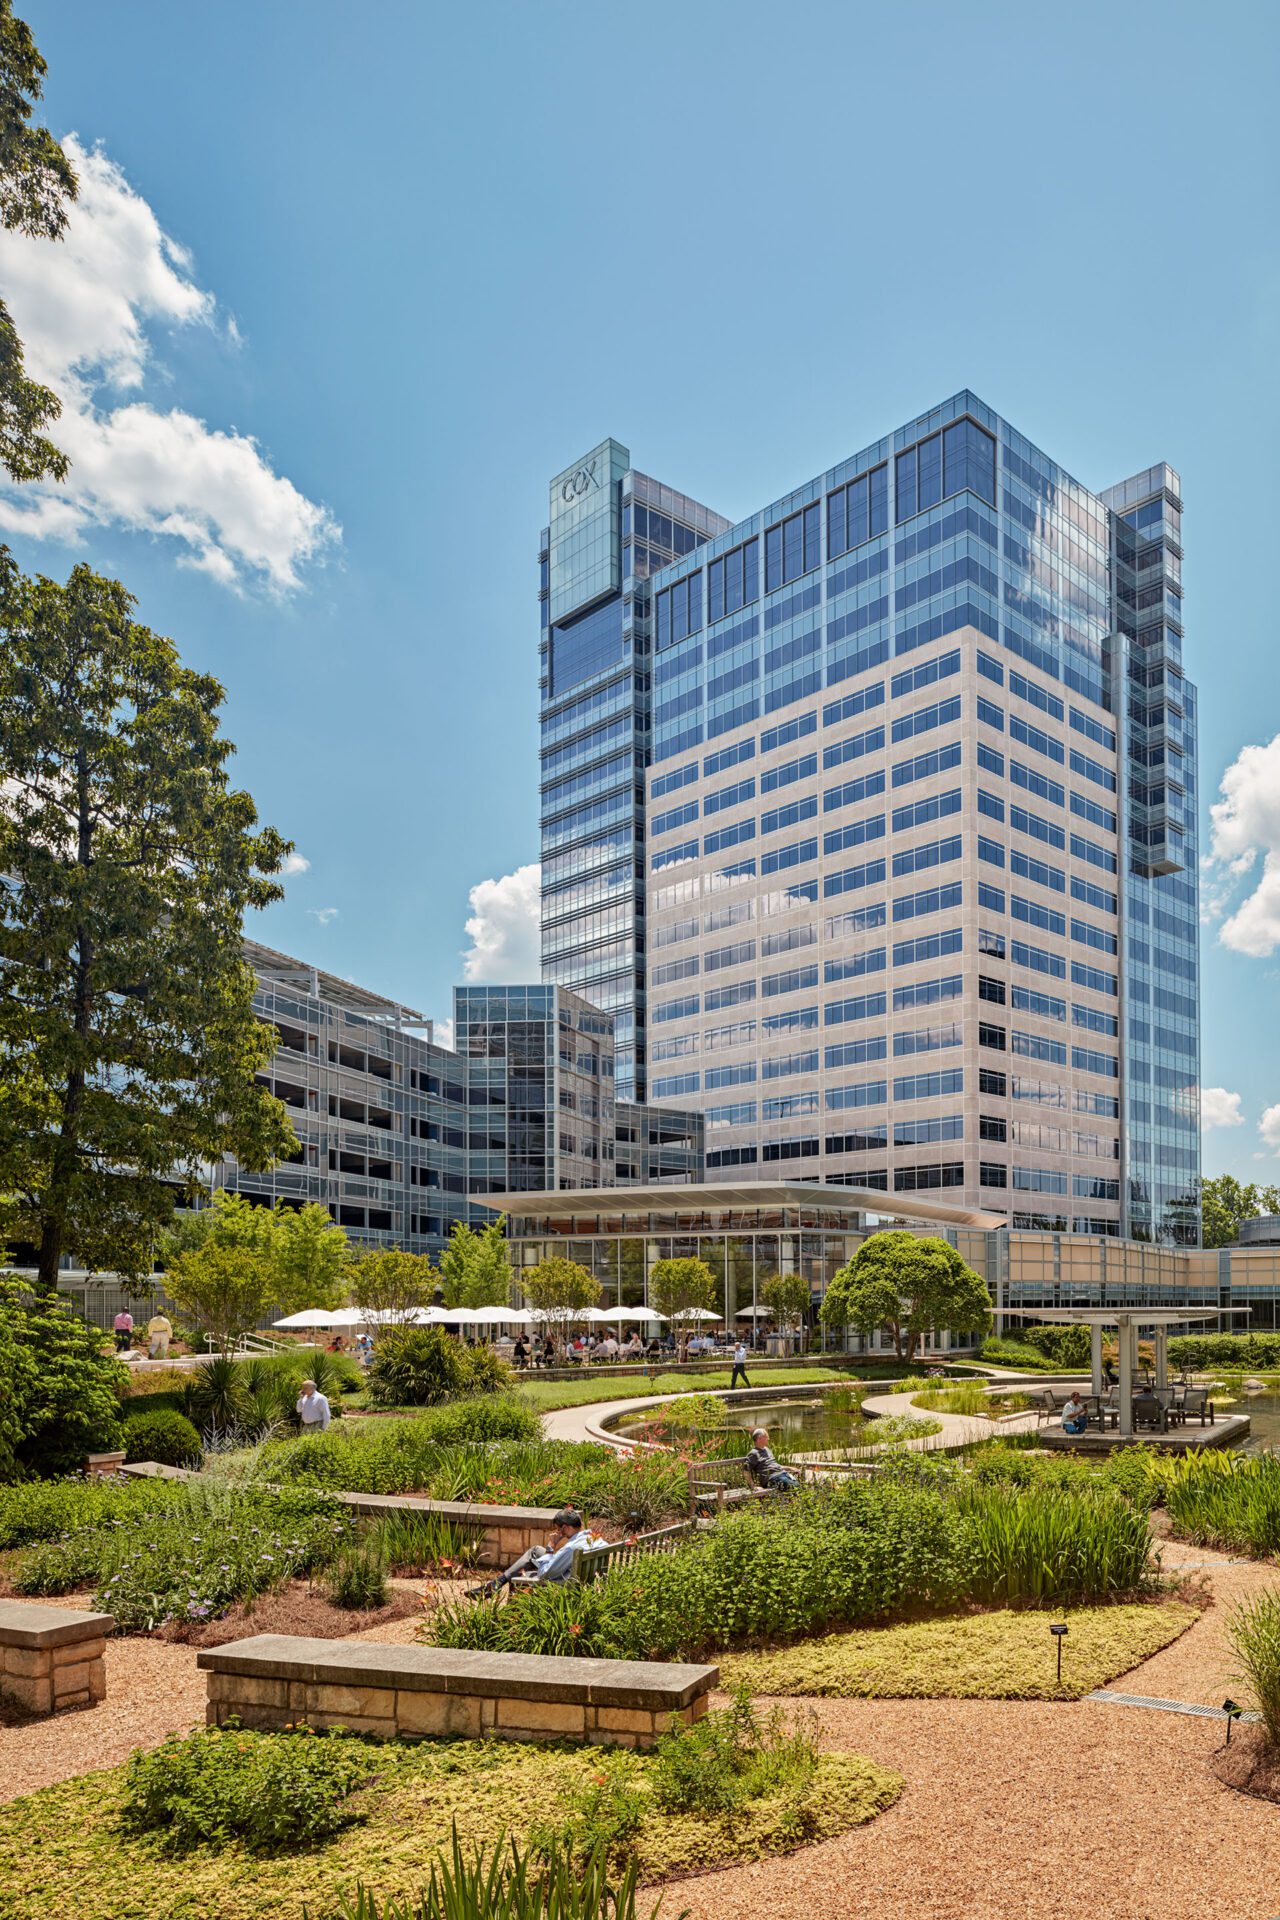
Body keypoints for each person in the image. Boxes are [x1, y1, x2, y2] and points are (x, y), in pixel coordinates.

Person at [465, 1508, 599, 1598]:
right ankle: (497, 1583)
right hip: (582, 1577)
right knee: (535, 1551)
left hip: (566, 1583)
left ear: (564, 1528)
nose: (557, 1531)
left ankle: (510, 1615)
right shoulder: (595, 1539)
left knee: (522, 1574)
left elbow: (544, 1573)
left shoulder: (571, 1548)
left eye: (558, 1528)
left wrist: (551, 1546)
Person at [744, 1427, 797, 1492]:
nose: (768, 1439)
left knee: (798, 1485)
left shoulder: (767, 1450)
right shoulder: (753, 1453)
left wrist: (790, 1468)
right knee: (794, 1487)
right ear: (759, 1438)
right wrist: (753, 1487)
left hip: (782, 1474)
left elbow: (774, 1465)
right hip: (771, 1478)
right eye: (766, 1437)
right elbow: (746, 1471)